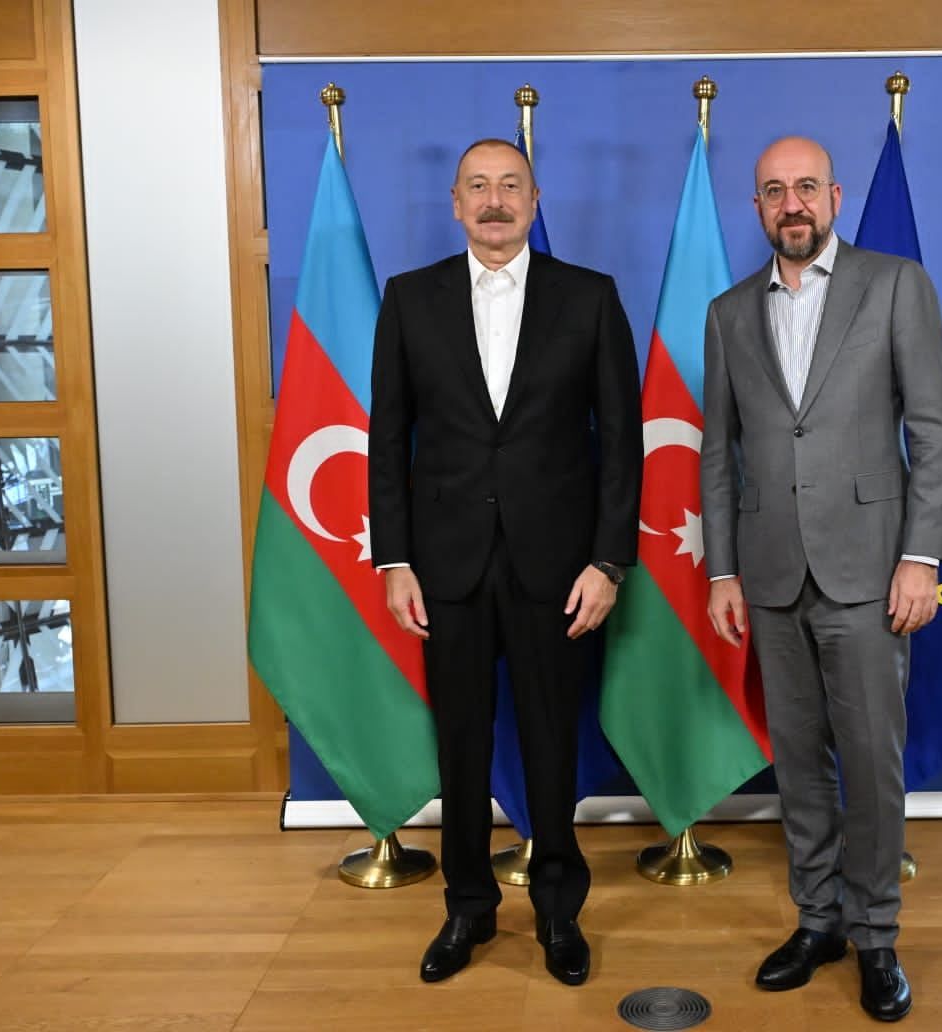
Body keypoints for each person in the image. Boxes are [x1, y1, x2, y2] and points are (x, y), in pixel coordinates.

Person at [368, 138, 642, 987]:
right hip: (445, 567)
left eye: (510, 187)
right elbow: (386, 441)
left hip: (558, 568)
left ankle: (559, 912)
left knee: (552, 742)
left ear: (534, 198)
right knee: (460, 745)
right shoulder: (409, 300)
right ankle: (467, 908)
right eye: (478, 187)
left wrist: (609, 562)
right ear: (456, 203)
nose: (494, 201)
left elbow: (623, 447)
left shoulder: (589, 299)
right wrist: (395, 560)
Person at [700, 136, 942, 1022]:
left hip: (870, 571)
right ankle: (818, 920)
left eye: (806, 186)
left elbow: (933, 434)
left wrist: (921, 558)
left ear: (836, 196)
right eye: (774, 191)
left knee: (872, 766)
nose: (791, 203)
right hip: (770, 575)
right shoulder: (730, 311)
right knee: (799, 764)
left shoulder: (894, 287)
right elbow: (719, 456)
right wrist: (724, 570)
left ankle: (877, 936)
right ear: (758, 208)